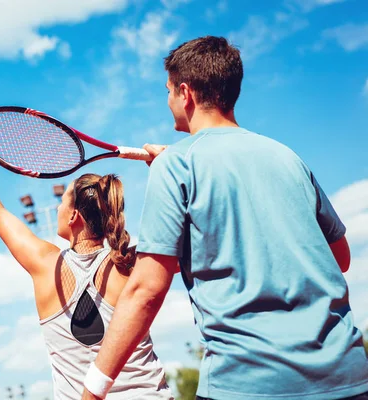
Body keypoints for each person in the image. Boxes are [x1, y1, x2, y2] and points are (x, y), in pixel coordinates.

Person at [81, 36, 368, 400]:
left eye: (168, 91)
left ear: (185, 93)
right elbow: (340, 258)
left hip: (250, 384)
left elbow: (146, 290)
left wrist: (92, 391)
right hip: (349, 377)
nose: (168, 100)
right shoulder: (287, 157)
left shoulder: (177, 166)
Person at [0, 124, 174, 400]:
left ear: (74, 216)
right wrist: (168, 172)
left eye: (62, 202)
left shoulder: (45, 264)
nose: (59, 208)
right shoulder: (131, 262)